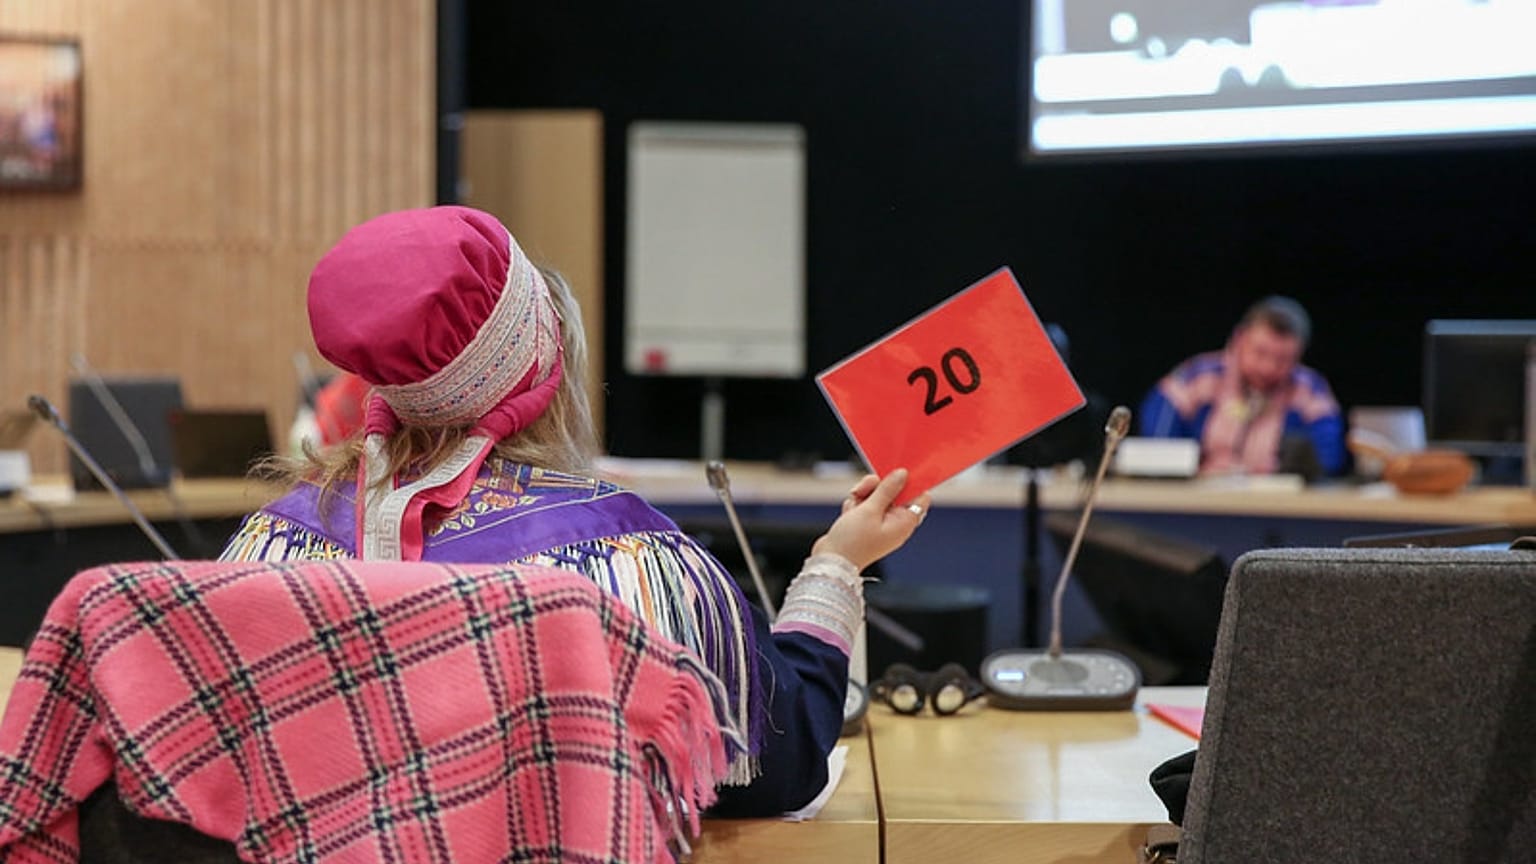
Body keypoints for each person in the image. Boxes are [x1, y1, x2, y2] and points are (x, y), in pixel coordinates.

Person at [218, 205, 931, 816]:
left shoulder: (266, 552)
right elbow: (780, 758)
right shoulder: (631, 565)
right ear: (540, 364)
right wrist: (836, 565)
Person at [1138, 295, 1344, 477]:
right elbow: (1158, 442)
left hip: (1276, 504)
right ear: (1239, 339)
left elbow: (1328, 456)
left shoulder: (1310, 391)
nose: (1268, 368)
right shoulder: (1197, 377)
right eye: (1260, 353)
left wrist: (1284, 468)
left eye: (1283, 360)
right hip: (1197, 498)